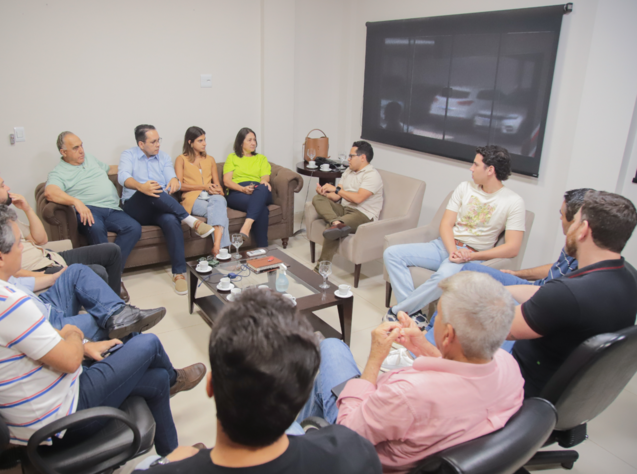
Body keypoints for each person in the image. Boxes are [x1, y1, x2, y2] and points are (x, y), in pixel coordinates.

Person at [0, 204, 206, 456]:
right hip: (61, 420)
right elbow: (70, 361)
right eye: (18, 243)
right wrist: (74, 335)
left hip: (44, 403)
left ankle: (171, 456)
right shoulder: (6, 305)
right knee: (147, 344)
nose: (22, 247)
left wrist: (83, 346)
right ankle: (174, 379)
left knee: (157, 379)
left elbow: (29, 343)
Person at [297, 271, 524, 473]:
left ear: (448, 335)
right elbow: (462, 371)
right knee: (326, 368)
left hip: (362, 453)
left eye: (438, 317)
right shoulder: (509, 367)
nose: (432, 323)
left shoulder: (407, 394)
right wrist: (423, 348)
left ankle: (298, 442)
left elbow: (348, 436)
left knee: (331, 348)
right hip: (430, 441)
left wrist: (375, 359)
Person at [137, 289, 381, 473]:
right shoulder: (354, 451)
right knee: (332, 346)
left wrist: (167, 461)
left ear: (211, 386)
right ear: (304, 391)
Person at [0, 196, 163, 341]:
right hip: (45, 322)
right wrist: (73, 339)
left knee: (76, 271)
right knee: (116, 327)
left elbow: (21, 276)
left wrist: (58, 277)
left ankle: (119, 312)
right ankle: (132, 343)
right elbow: (31, 334)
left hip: (43, 302)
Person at [507, 190, 637, 398]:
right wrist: (506, 290)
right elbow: (548, 299)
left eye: (574, 221)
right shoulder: (627, 277)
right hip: (571, 390)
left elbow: (498, 327)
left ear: (583, 229)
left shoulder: (567, 293)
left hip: (522, 384)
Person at [384, 145, 525, 326]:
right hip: (444, 246)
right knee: (392, 253)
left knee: (443, 278)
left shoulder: (513, 202)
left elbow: (513, 248)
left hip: (472, 255)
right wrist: (452, 251)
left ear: (490, 170)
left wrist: (470, 256)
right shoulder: (464, 188)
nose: (471, 169)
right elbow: (446, 223)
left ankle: (398, 311)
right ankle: (413, 313)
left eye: (475, 165)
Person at [0, 165, 127, 299]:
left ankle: (115, 306)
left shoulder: (5, 215)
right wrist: (45, 275)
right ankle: (110, 312)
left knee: (112, 250)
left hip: (50, 256)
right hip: (40, 268)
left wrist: (27, 208)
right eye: (2, 186)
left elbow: (41, 239)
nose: (7, 188)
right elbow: (8, 272)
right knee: (97, 271)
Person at [119, 124, 214, 296]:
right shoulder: (129, 155)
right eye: (153, 142)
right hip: (136, 206)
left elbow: (172, 176)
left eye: (159, 140)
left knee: (170, 220)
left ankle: (179, 274)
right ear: (141, 144)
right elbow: (123, 177)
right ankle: (190, 220)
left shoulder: (163, 157)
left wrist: (173, 181)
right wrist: (141, 186)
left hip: (159, 206)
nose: (158, 145)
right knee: (149, 188)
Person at [44, 131, 142, 296]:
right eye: (75, 148)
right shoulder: (59, 172)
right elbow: (49, 192)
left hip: (112, 208)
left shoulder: (89, 158)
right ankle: (113, 283)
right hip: (89, 210)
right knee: (95, 228)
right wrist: (77, 202)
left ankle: (113, 275)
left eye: (81, 145)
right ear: (64, 152)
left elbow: (109, 169)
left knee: (134, 227)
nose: (81, 150)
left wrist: (133, 167)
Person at [461, 188, 591, 286]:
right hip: (536, 287)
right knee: (468, 271)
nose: (560, 218)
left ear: (576, 221)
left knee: (473, 284)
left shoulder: (587, 258)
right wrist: (518, 274)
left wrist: (503, 291)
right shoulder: (573, 244)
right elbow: (557, 268)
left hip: (538, 297)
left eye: (562, 214)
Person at [311, 141, 383, 269]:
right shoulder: (349, 171)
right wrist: (324, 193)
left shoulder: (372, 176)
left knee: (331, 229)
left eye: (351, 156)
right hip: (344, 209)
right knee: (318, 199)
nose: (348, 159)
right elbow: (336, 197)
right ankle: (336, 222)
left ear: (362, 157)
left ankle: (321, 268)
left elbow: (358, 199)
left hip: (362, 214)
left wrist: (336, 189)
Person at [175, 126, 230, 256]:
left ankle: (216, 247)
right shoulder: (181, 159)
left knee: (219, 201)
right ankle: (221, 250)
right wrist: (203, 186)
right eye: (200, 140)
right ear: (190, 142)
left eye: (205, 140)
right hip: (193, 199)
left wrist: (218, 190)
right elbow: (179, 185)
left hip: (212, 197)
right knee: (220, 211)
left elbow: (217, 184)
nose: (204, 143)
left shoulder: (210, 159)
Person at [223, 128, 273, 247]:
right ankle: (263, 249)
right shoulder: (232, 158)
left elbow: (265, 177)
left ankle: (247, 225)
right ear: (241, 142)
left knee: (263, 187)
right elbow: (227, 181)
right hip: (238, 192)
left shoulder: (261, 158)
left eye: (254, 140)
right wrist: (243, 189)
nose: (253, 143)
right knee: (262, 209)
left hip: (258, 189)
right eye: (249, 140)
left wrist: (263, 182)